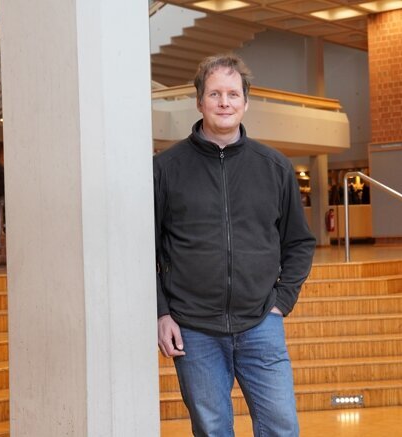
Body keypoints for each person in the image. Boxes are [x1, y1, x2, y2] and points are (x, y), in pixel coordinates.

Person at [154, 53, 316, 436]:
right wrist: (162, 313)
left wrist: (282, 301)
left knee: (281, 427)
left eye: (232, 93)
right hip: (193, 327)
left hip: (261, 321)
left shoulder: (274, 167)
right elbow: (146, 249)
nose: (224, 102)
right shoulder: (166, 168)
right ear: (199, 101)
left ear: (245, 101)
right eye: (214, 94)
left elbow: (300, 242)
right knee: (212, 430)